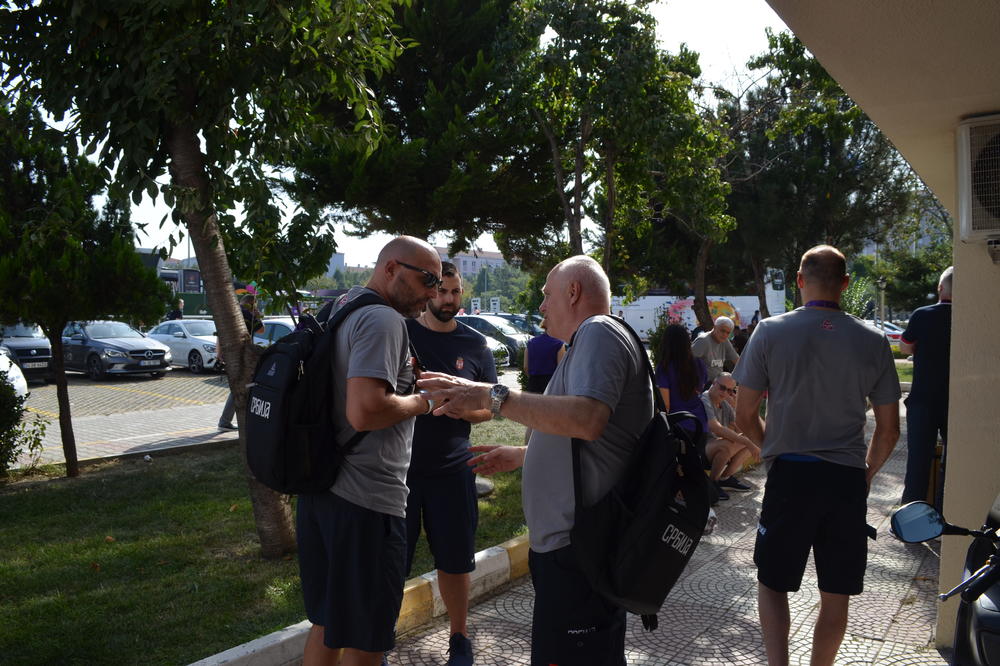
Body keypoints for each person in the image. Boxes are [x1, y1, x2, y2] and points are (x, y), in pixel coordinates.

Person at [418, 255, 653, 666]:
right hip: (574, 549)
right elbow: (591, 437)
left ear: (574, 292)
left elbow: (588, 419)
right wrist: (527, 454)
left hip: (579, 549)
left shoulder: (598, 330)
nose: (541, 306)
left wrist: (491, 396)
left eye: (546, 295)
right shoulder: (586, 344)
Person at [733, 245, 901, 666]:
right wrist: (866, 472)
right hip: (845, 480)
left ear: (799, 281)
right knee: (836, 591)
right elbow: (889, 428)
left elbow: (744, 413)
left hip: (791, 475)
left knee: (773, 583)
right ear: (845, 283)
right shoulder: (873, 340)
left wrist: (771, 449)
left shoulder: (770, 331)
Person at [297, 236, 441, 666]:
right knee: (366, 639)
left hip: (321, 490)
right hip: (364, 503)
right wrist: (426, 402)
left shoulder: (341, 307)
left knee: (327, 624)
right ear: (392, 269)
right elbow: (365, 410)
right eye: (427, 280)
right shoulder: (382, 320)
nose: (433, 293)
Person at [404, 262, 496, 665]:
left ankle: (459, 638)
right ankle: (379, 639)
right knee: (391, 563)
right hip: (398, 473)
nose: (448, 300)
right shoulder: (402, 333)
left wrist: (461, 410)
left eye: (455, 292)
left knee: (455, 563)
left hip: (453, 470)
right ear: (428, 292)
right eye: (441, 291)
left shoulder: (476, 345)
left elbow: (490, 409)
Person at [899, 266, 953, 509]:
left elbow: (905, 347)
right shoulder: (971, 316)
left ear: (940, 288)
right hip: (956, 400)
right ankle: (945, 513)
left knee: (918, 459)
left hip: (923, 398)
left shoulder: (923, 314)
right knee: (952, 461)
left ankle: (911, 514)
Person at [700, 373, 760, 494]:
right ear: (713, 384)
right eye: (722, 388)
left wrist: (736, 405)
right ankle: (712, 484)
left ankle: (725, 478)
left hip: (717, 447)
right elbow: (716, 428)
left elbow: (741, 427)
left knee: (753, 439)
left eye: (730, 390)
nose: (725, 393)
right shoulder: (704, 399)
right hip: (702, 448)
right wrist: (746, 442)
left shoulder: (725, 403)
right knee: (727, 445)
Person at [217, 294, 265, 431]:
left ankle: (226, 420)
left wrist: (219, 352)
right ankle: (226, 421)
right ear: (252, 304)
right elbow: (262, 330)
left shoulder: (231, 313)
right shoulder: (247, 314)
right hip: (244, 356)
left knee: (240, 385)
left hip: (230, 354)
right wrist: (256, 315)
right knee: (246, 385)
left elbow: (220, 333)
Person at [691, 316, 739, 386]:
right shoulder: (703, 341)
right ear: (715, 327)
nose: (725, 334)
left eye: (728, 333)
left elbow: (737, 360)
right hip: (703, 385)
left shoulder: (725, 341)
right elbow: (687, 362)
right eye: (722, 331)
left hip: (718, 385)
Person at [523, 318, 564, 393]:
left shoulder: (531, 342)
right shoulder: (559, 344)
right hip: (551, 383)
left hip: (533, 382)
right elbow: (561, 368)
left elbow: (526, 367)